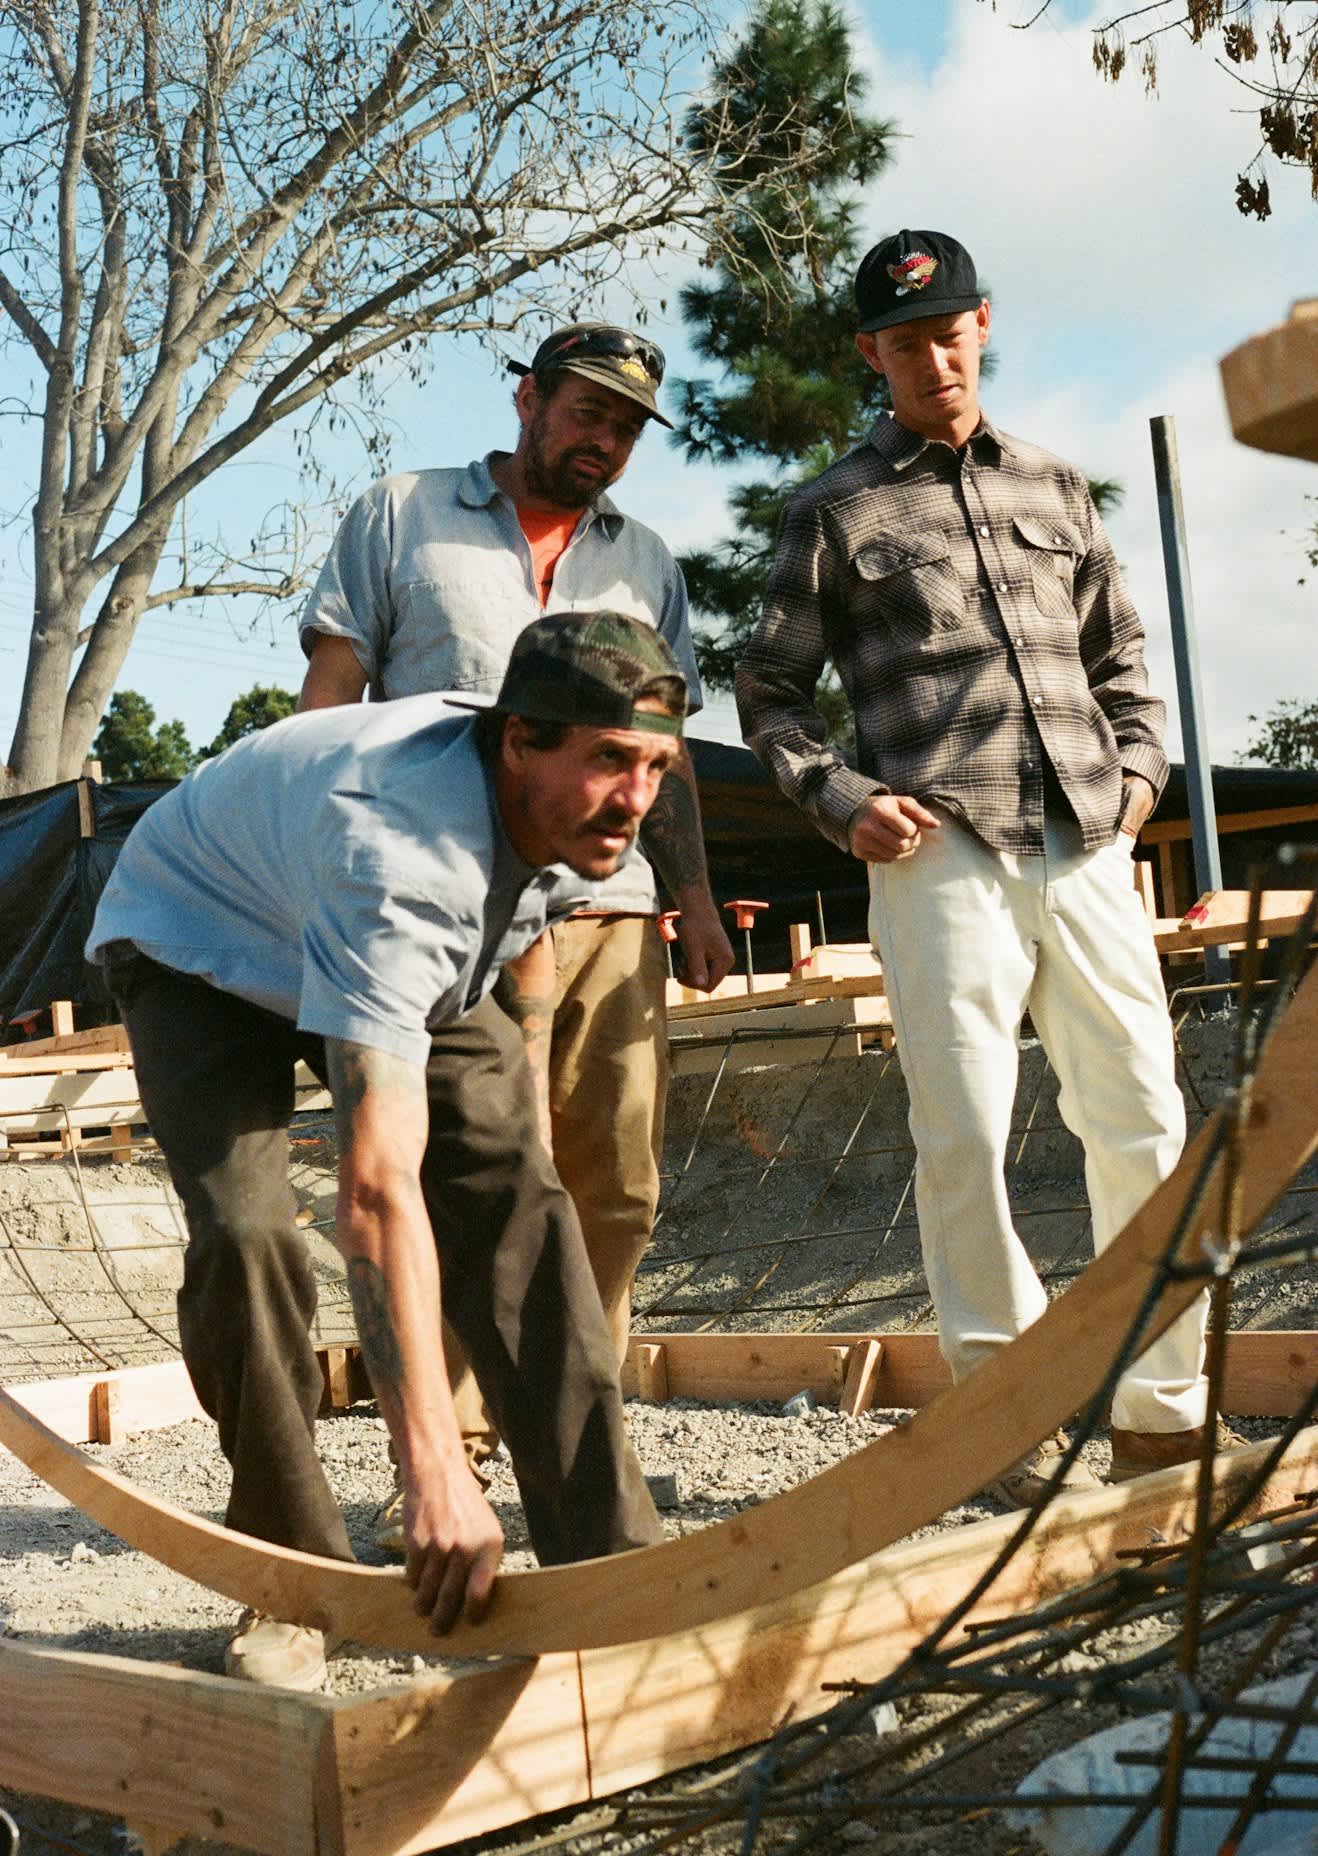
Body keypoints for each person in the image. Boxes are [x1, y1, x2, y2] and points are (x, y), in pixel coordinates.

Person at [86, 612, 682, 1687]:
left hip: (353, 925)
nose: (635, 798)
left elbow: (529, 926)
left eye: (653, 766)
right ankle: (289, 1579)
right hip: (203, 939)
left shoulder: (566, 808)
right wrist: (433, 1472)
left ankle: (607, 1557)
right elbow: (374, 1193)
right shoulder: (399, 861)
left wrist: (520, 1120)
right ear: (518, 743)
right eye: (607, 761)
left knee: (522, 1199)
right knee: (250, 1233)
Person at [737, 228, 1229, 1506]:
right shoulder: (833, 509)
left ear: (984, 327)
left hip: (1087, 844)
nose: (931, 355)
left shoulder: (1060, 488)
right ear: (872, 353)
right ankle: (1001, 1422)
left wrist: (1134, 786)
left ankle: (1163, 1414)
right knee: (962, 1132)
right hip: (938, 850)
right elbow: (769, 692)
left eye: (949, 331)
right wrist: (842, 802)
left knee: (1143, 1122)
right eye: (904, 340)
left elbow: (1125, 662)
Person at [298, 323, 733, 1497]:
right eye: (587, 411)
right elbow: (331, 696)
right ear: (529, 400)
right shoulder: (401, 512)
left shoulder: (644, 558)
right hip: (451, 902)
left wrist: (690, 899)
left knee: (614, 1179)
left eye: (630, 425)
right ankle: (450, 1443)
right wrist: (321, 866)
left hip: (610, 906)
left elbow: (666, 748)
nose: (606, 438)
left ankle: (577, 1427)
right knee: (476, 1174)